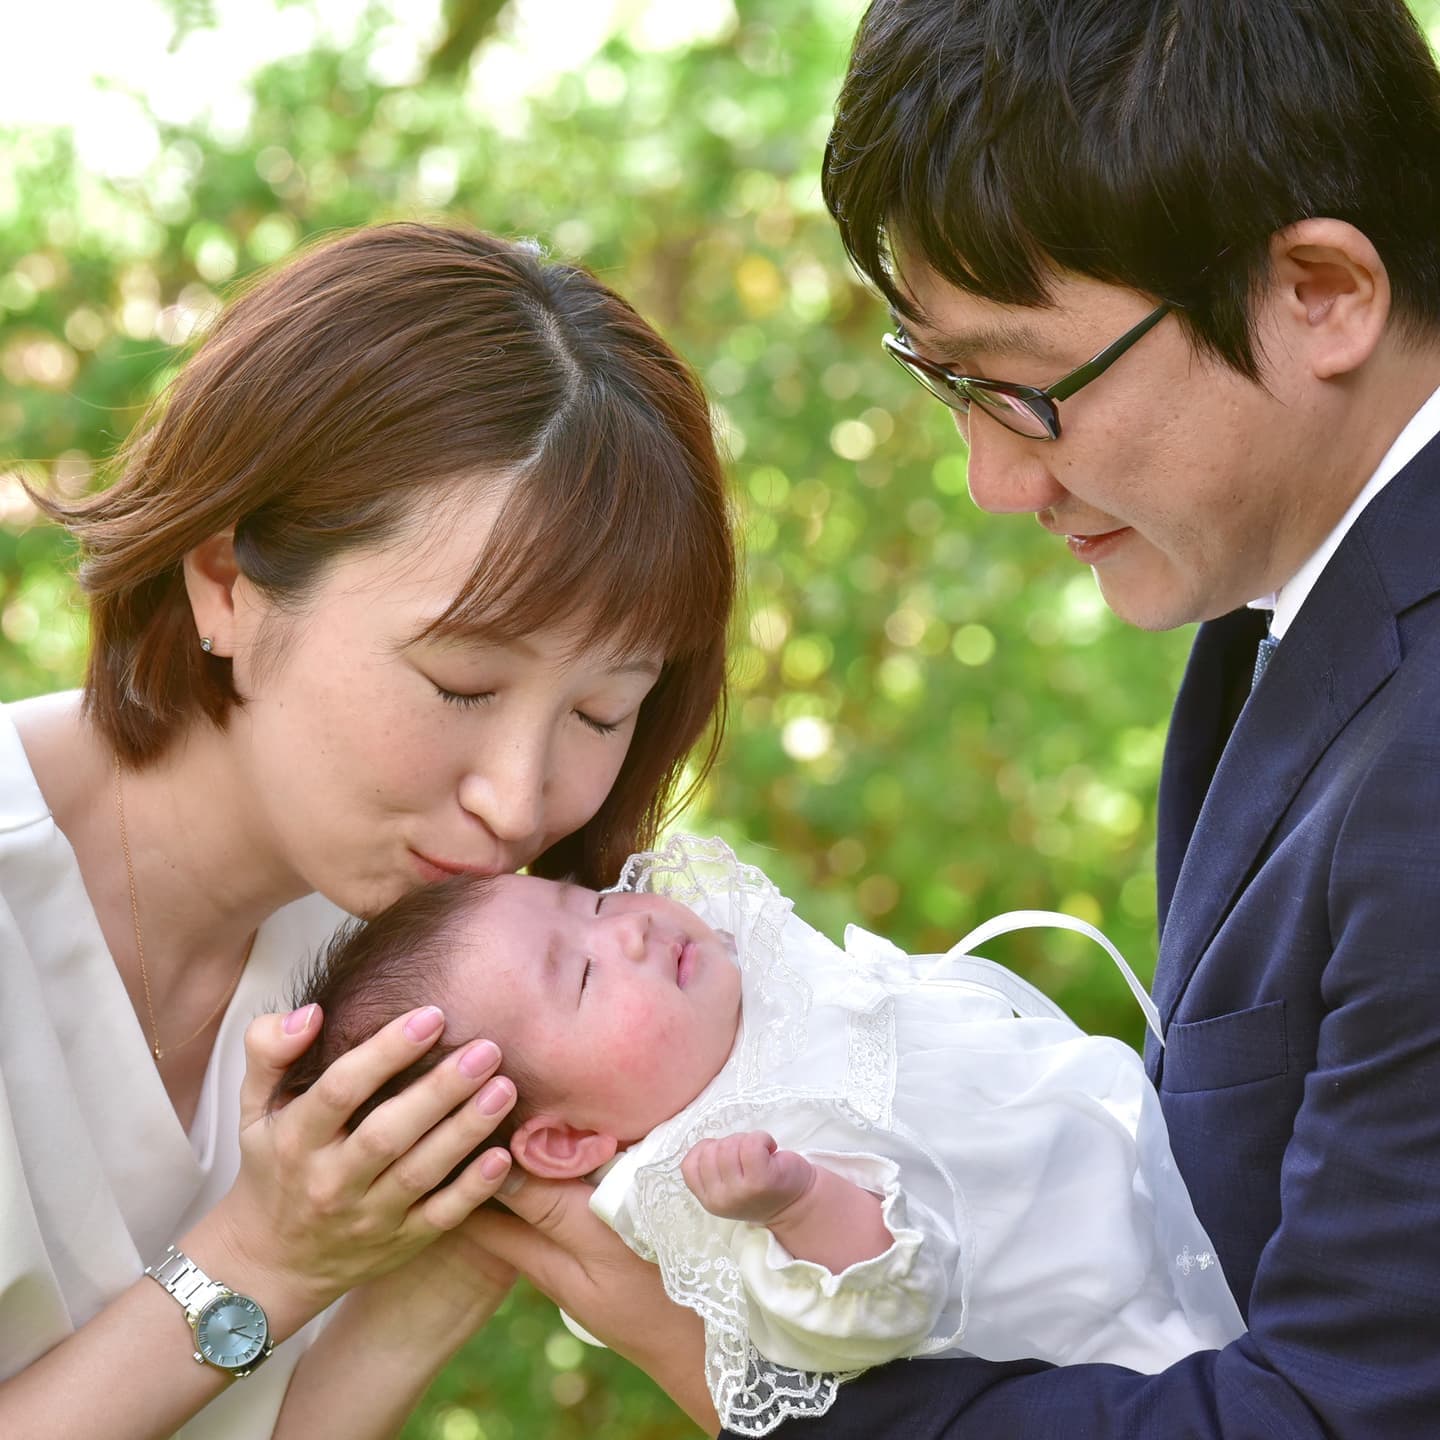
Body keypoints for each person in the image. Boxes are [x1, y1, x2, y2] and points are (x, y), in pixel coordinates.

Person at [474, 2, 1440, 1436]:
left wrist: (765, 1389)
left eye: (1023, 387)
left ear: (1320, 293)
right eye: (943, 382)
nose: (989, 480)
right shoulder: (1295, 611)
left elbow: (1345, 1418)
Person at [0, 221, 734, 1438]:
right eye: (459, 685)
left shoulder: (426, 958)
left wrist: (442, 1263)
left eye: (604, 709)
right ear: (227, 581)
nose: (520, 802)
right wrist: (262, 1261)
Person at [278, 833, 1245, 1433]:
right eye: (580, 978)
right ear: (566, 1143)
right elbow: (870, 1316)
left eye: (596, 904)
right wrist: (802, 1203)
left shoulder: (729, 970)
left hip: (1169, 1146)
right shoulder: (692, 1191)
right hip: (1126, 1326)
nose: (631, 934)